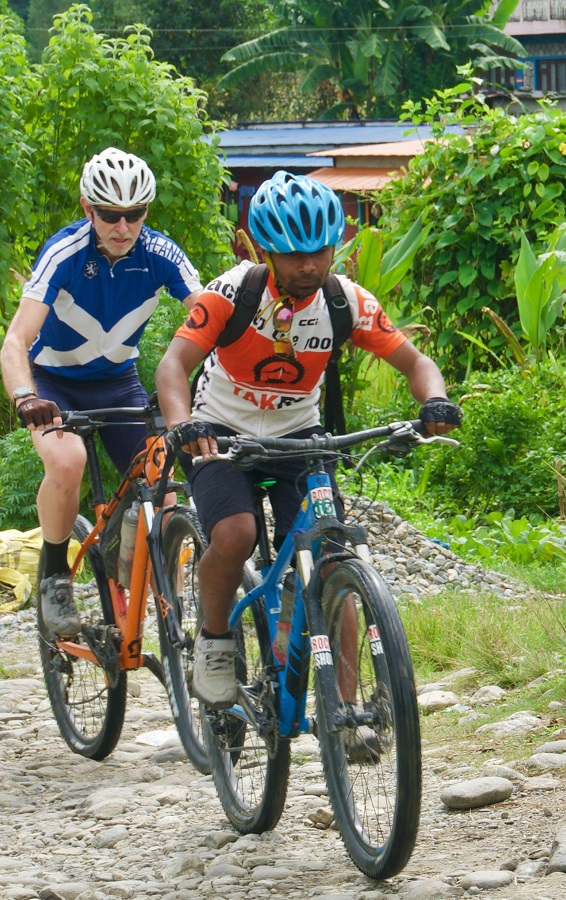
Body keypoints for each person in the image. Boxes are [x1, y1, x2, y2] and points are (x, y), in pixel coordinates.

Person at [154, 171, 461, 708]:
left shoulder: (347, 302)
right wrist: (183, 424)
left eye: (319, 252)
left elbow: (417, 363)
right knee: (236, 533)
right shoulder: (230, 293)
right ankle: (214, 641)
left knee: (333, 554)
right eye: (294, 255)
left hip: (299, 435)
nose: (310, 266)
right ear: (267, 252)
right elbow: (172, 366)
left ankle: (349, 714)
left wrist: (434, 400)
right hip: (219, 432)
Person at [0, 148, 203, 641]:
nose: (122, 226)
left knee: (163, 487)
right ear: (87, 208)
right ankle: (54, 576)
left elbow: (210, 317)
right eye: (109, 214)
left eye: (135, 213)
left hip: (117, 382)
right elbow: (15, 341)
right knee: (67, 461)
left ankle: (173, 615)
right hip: (54, 385)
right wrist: (25, 397)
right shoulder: (64, 253)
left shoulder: (161, 254)